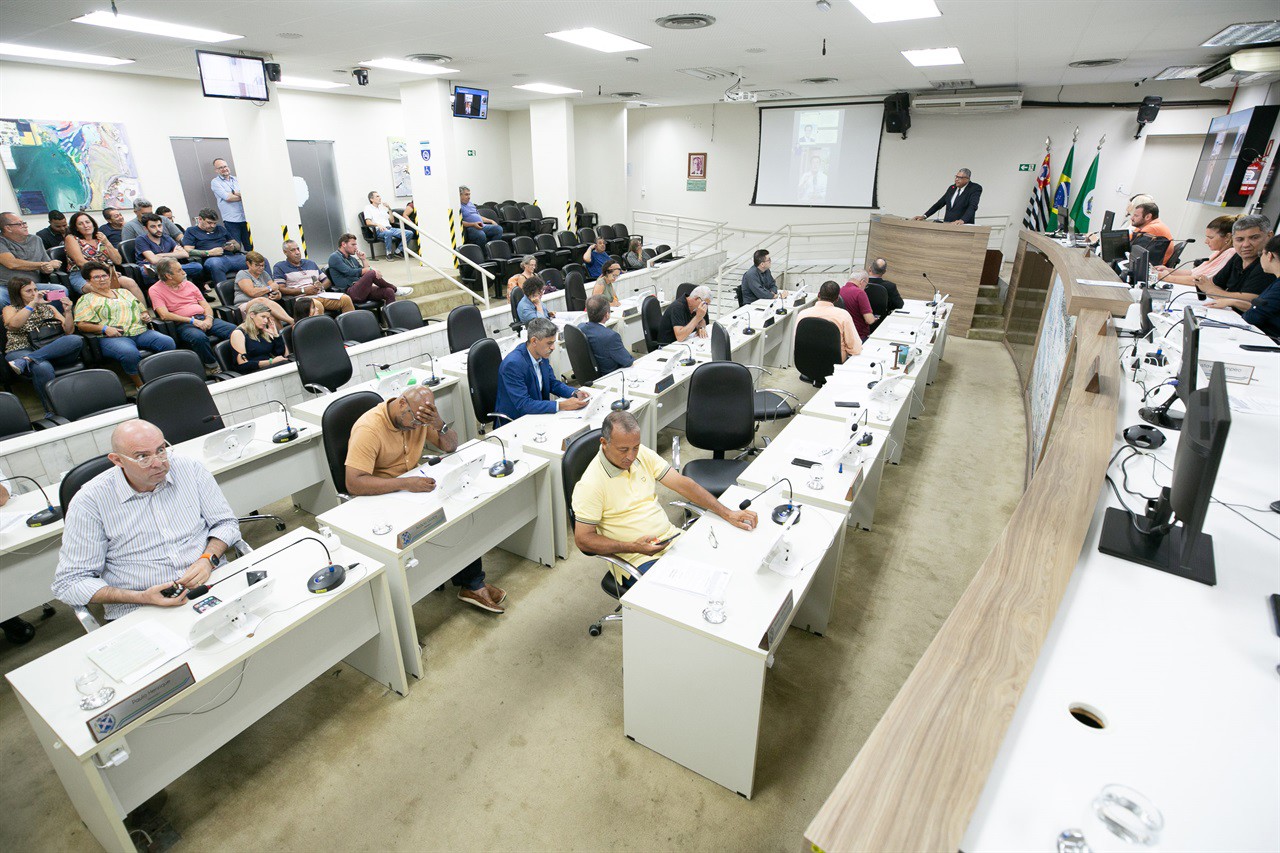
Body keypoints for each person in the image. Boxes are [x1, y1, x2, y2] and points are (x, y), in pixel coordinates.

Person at [52, 419, 240, 621]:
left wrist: (208, 560)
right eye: (142, 457)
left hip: (212, 582)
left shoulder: (190, 470)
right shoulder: (90, 501)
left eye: (161, 450)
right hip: (140, 608)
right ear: (117, 460)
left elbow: (225, 523)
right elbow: (70, 582)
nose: (159, 463)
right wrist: (141, 597)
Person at [345, 385, 506, 613]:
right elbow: (353, 482)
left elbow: (450, 446)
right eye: (414, 421)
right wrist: (404, 484)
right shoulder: (368, 428)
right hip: (383, 496)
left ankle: (472, 583)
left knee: (459, 506)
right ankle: (468, 583)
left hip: (412, 486)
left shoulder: (419, 417)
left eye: (421, 422)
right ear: (401, 403)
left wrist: (437, 423)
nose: (416, 427)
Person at [572, 411, 758, 586]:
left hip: (670, 538)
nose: (631, 456)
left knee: (720, 566)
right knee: (687, 593)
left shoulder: (641, 454)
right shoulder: (591, 484)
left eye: (635, 447)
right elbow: (583, 540)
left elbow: (683, 484)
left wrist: (728, 513)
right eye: (623, 450)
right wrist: (633, 547)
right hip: (637, 557)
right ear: (604, 442)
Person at [74, 261, 175, 387]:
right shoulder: (86, 300)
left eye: (104, 276)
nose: (102, 279)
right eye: (96, 277)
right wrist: (104, 328)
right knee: (129, 353)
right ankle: (142, 385)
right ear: (88, 281)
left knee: (167, 342)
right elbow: (81, 324)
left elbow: (142, 309)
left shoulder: (124, 292)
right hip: (113, 337)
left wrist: (144, 316)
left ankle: (165, 376)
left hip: (139, 331)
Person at [4, 276, 83, 412]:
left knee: (76, 339)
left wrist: (68, 311)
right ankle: (52, 411)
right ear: (18, 294)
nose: (35, 293)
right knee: (42, 367)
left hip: (52, 349)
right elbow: (14, 325)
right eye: (29, 291)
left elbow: (69, 331)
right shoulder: (10, 309)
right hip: (21, 349)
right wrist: (33, 303)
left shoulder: (50, 307)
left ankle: (27, 360)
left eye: (35, 289)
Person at [148, 259, 237, 374]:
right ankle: (212, 367)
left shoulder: (189, 284)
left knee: (235, 330)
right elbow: (164, 315)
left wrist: (209, 319)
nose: (184, 272)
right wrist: (192, 321)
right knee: (199, 338)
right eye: (179, 270)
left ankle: (236, 359)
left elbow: (206, 305)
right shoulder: (155, 290)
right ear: (168, 276)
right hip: (184, 324)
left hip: (204, 318)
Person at [495, 316, 590, 421]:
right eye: (549, 343)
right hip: (515, 421)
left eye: (553, 342)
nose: (553, 347)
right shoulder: (513, 364)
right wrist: (562, 405)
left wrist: (575, 392)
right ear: (534, 341)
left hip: (537, 415)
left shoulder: (541, 354)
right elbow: (523, 405)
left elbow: (552, 383)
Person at [1208, 235, 1280, 338]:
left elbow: (1253, 316)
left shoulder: (1278, 287)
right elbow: (1262, 309)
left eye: (1261, 254)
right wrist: (1234, 301)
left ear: (1269, 256)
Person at [64, 211, 144, 302]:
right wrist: (106, 269)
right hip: (82, 275)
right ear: (76, 228)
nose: (86, 226)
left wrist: (107, 242)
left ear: (93, 224)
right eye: (80, 224)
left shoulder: (100, 237)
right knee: (101, 289)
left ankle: (144, 313)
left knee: (130, 283)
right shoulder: (71, 238)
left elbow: (118, 261)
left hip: (107, 273)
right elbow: (80, 262)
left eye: (87, 222)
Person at [1197, 214, 1274, 304]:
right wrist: (1215, 291)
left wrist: (1216, 292)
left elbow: (1252, 299)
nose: (1245, 245)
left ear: (1269, 236)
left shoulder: (1270, 262)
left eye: (1254, 238)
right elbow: (1214, 285)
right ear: (1233, 239)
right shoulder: (1238, 257)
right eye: (1240, 239)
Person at [1152, 215, 1237, 286]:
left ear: (1228, 237)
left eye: (1210, 238)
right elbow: (1193, 272)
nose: (1206, 241)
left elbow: (1203, 281)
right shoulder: (1217, 252)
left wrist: (1168, 278)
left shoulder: (1231, 253)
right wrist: (1168, 270)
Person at [272, 239, 353, 313]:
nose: (297, 252)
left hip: (320, 294)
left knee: (346, 299)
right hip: (302, 299)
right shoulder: (280, 267)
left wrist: (321, 286)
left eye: (298, 249)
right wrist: (303, 290)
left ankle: (350, 327)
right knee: (316, 306)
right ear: (285, 252)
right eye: (293, 250)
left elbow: (327, 281)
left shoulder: (310, 263)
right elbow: (281, 288)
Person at [0, 212, 62, 307]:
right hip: (7, 287)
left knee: (60, 291)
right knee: (0, 300)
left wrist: (48, 268)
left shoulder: (36, 239)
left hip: (33, 286)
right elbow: (12, 263)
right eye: (20, 224)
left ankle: (54, 320)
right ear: (8, 228)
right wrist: (42, 265)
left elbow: (47, 264)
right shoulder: (2, 242)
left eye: (24, 223)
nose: (25, 226)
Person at [797, 281, 861, 361]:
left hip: (805, 362)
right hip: (833, 364)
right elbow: (855, 348)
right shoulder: (843, 315)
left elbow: (796, 342)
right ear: (837, 298)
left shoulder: (802, 314)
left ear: (818, 295)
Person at [182, 207, 248, 283]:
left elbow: (237, 245)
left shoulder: (220, 229)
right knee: (216, 264)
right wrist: (208, 252)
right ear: (200, 219)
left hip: (231, 257)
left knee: (259, 260)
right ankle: (224, 291)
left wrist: (233, 247)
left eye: (215, 223)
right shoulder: (191, 231)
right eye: (209, 223)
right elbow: (188, 250)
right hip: (212, 259)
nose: (213, 226)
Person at [327, 233, 397, 304]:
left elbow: (364, 274)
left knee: (389, 291)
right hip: (349, 293)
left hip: (361, 289)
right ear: (343, 244)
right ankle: (394, 288)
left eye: (356, 245)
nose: (356, 247)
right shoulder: (334, 257)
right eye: (353, 244)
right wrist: (370, 269)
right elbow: (350, 272)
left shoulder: (352, 259)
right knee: (371, 272)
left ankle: (391, 312)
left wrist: (363, 260)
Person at [135, 213, 203, 286]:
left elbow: (185, 254)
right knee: (146, 272)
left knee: (197, 266)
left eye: (159, 226)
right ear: (145, 228)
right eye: (153, 227)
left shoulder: (166, 237)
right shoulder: (141, 240)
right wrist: (174, 254)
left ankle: (166, 274)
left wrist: (160, 255)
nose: (158, 229)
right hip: (150, 268)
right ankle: (164, 273)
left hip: (169, 267)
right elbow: (153, 260)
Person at [232, 251, 295, 326]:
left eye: (263, 265)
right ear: (248, 264)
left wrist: (277, 295)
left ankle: (281, 336)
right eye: (257, 265)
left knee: (271, 317)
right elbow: (252, 292)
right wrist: (270, 288)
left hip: (264, 307)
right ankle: (292, 321)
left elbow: (275, 289)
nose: (261, 268)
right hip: (246, 306)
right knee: (261, 300)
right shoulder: (243, 274)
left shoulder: (264, 274)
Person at [229, 302, 290, 373]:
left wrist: (276, 335)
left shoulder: (263, 330)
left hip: (269, 367)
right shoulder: (238, 333)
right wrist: (271, 361)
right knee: (285, 364)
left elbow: (282, 355)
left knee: (289, 362)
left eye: (267, 318)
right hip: (253, 371)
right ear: (252, 315)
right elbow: (243, 365)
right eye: (263, 317)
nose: (266, 321)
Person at [581, 295, 633, 374]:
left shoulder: (580, 327)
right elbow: (627, 361)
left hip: (590, 373)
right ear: (607, 315)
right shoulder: (611, 336)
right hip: (611, 375)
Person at [915, 168, 982, 225]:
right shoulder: (952, 188)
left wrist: (962, 220)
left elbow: (972, 206)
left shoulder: (975, 188)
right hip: (948, 225)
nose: (956, 179)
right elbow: (939, 204)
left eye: (960, 178)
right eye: (956, 176)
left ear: (967, 179)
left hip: (963, 226)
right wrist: (924, 216)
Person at [210, 158, 250, 248]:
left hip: (245, 218)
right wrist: (241, 196)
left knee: (250, 246)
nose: (224, 169)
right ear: (216, 170)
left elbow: (248, 195)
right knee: (236, 247)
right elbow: (228, 198)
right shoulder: (215, 182)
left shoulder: (237, 179)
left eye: (225, 166)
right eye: (220, 168)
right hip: (232, 220)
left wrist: (236, 193)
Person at [362, 191, 404, 257]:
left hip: (390, 228)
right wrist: (378, 225)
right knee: (388, 232)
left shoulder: (382, 208)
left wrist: (389, 208)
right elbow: (368, 222)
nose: (380, 198)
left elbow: (392, 221)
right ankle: (389, 253)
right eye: (377, 196)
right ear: (371, 199)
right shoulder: (368, 208)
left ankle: (398, 251)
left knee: (408, 233)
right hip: (379, 230)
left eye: (379, 196)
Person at [839, 269, 877, 340]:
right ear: (862, 281)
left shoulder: (839, 291)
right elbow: (869, 320)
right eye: (866, 284)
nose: (865, 288)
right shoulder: (860, 293)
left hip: (843, 335)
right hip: (858, 336)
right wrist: (873, 318)